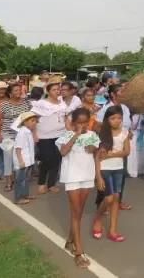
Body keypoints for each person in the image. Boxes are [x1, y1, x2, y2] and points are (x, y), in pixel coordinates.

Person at [57, 107, 100, 267]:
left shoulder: (93, 135)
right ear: (73, 122)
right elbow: (63, 152)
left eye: (85, 122)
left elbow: (97, 150)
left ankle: (70, 241)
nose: (83, 125)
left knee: (79, 211)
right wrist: (75, 134)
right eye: (79, 122)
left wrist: (94, 149)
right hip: (72, 177)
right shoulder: (66, 135)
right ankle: (78, 251)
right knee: (75, 210)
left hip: (87, 176)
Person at [93, 106, 131, 242]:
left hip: (118, 168)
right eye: (113, 118)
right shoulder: (102, 134)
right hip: (104, 169)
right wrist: (98, 177)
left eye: (119, 118)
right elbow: (97, 157)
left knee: (116, 198)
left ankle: (113, 230)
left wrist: (112, 155)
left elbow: (127, 151)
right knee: (108, 199)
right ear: (107, 119)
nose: (116, 121)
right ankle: (98, 218)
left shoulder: (124, 132)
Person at [94, 83, 133, 211]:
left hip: (122, 144)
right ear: (112, 94)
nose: (124, 93)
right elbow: (96, 126)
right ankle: (102, 202)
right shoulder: (105, 109)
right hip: (108, 145)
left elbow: (126, 126)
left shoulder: (125, 108)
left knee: (120, 176)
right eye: (121, 91)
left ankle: (118, 201)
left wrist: (127, 133)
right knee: (105, 176)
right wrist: (109, 135)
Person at [0, 82, 32, 191]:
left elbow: (31, 118)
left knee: (22, 156)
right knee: (8, 157)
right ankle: (8, 181)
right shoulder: (4, 105)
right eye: (16, 90)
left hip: (23, 135)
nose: (19, 92)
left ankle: (20, 179)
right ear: (10, 93)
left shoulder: (27, 104)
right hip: (7, 134)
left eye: (19, 90)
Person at [31, 82, 66, 194]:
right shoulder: (41, 103)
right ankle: (41, 183)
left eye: (58, 89)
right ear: (48, 92)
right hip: (44, 136)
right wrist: (34, 133)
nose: (57, 91)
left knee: (57, 160)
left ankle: (51, 184)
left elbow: (65, 118)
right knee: (46, 160)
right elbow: (33, 118)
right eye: (54, 90)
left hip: (60, 135)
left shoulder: (62, 103)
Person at [13, 111, 39, 205]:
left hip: (28, 161)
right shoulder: (22, 133)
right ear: (25, 122)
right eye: (32, 121)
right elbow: (18, 149)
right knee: (20, 180)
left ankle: (25, 194)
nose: (34, 123)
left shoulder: (28, 132)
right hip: (23, 161)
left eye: (35, 121)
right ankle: (18, 198)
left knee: (26, 179)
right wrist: (20, 161)